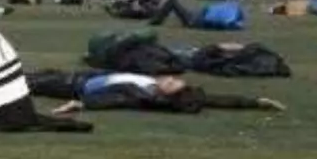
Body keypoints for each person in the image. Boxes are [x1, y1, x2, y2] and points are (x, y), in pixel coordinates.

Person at [28, 70, 285, 115]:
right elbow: (218, 100)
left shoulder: (142, 96)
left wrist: (78, 104)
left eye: (172, 83)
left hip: (74, 84)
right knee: (32, 74)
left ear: (166, 95)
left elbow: (112, 99)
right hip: (92, 73)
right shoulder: (152, 84)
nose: (170, 79)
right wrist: (257, 101)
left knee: (30, 82)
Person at [146, 0, 244, 31]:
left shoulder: (229, 16)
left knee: (173, 1)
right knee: (175, 3)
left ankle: (155, 21)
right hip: (196, 16)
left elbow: (222, 24)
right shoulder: (231, 15)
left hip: (194, 20)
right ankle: (156, 19)